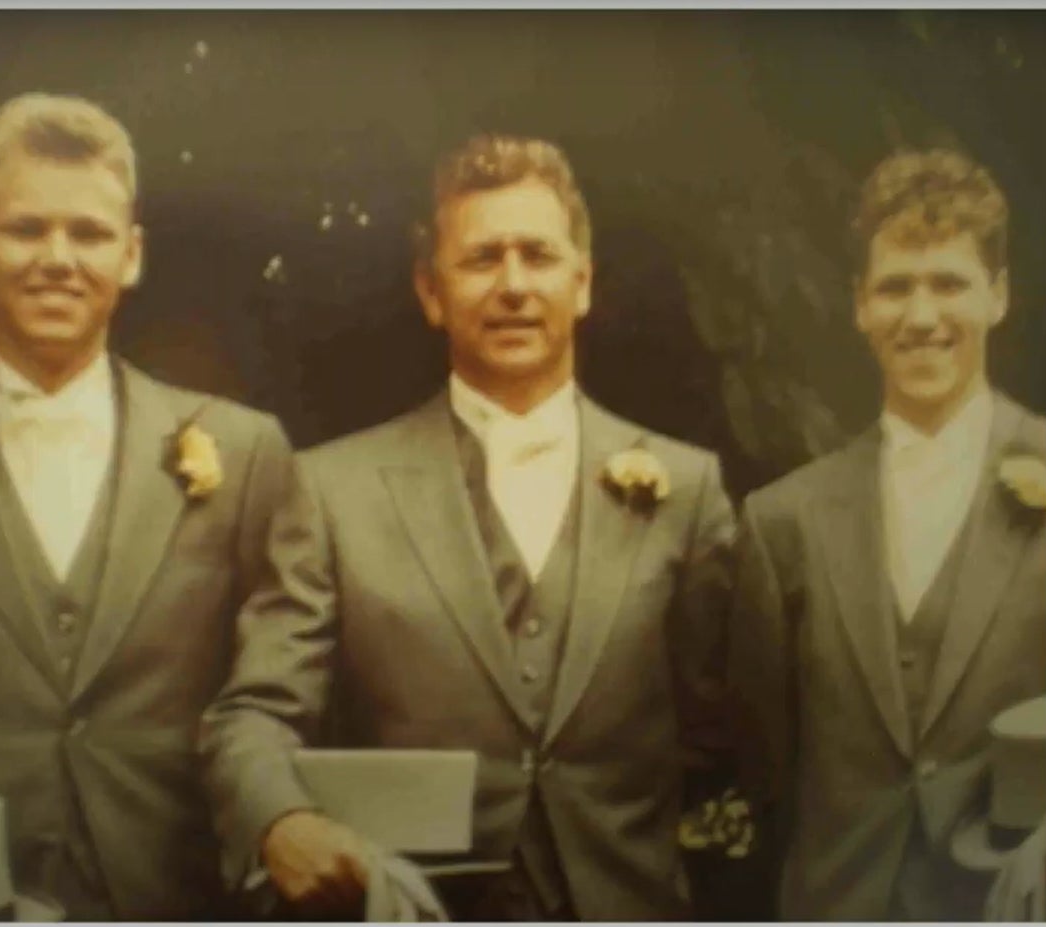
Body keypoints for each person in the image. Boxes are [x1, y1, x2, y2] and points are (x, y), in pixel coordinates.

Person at [200, 134, 737, 920]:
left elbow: (722, 730)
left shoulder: (685, 489)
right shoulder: (331, 489)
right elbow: (255, 711)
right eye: (482, 259)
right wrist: (281, 817)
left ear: (582, 283)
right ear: (431, 291)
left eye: (538, 256)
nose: (514, 284)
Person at [0, 92, 299, 921]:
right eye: (25, 229)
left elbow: (273, 700)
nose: (57, 257)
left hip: (182, 899)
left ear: (132, 255)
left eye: (88, 233)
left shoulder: (247, 450)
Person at [728, 148, 1046, 920]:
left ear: (998, 296)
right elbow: (767, 765)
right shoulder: (785, 521)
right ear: (860, 306)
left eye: (949, 283)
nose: (923, 316)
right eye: (896, 287)